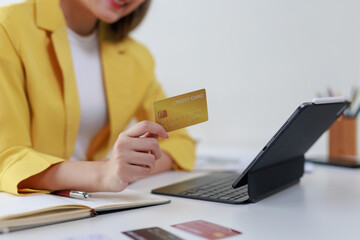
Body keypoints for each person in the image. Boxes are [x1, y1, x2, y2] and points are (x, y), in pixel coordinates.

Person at [0, 0, 195, 195]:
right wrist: (101, 173)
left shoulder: (138, 56)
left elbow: (181, 139)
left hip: (90, 208)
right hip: (26, 213)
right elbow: (6, 157)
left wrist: (128, 168)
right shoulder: (7, 28)